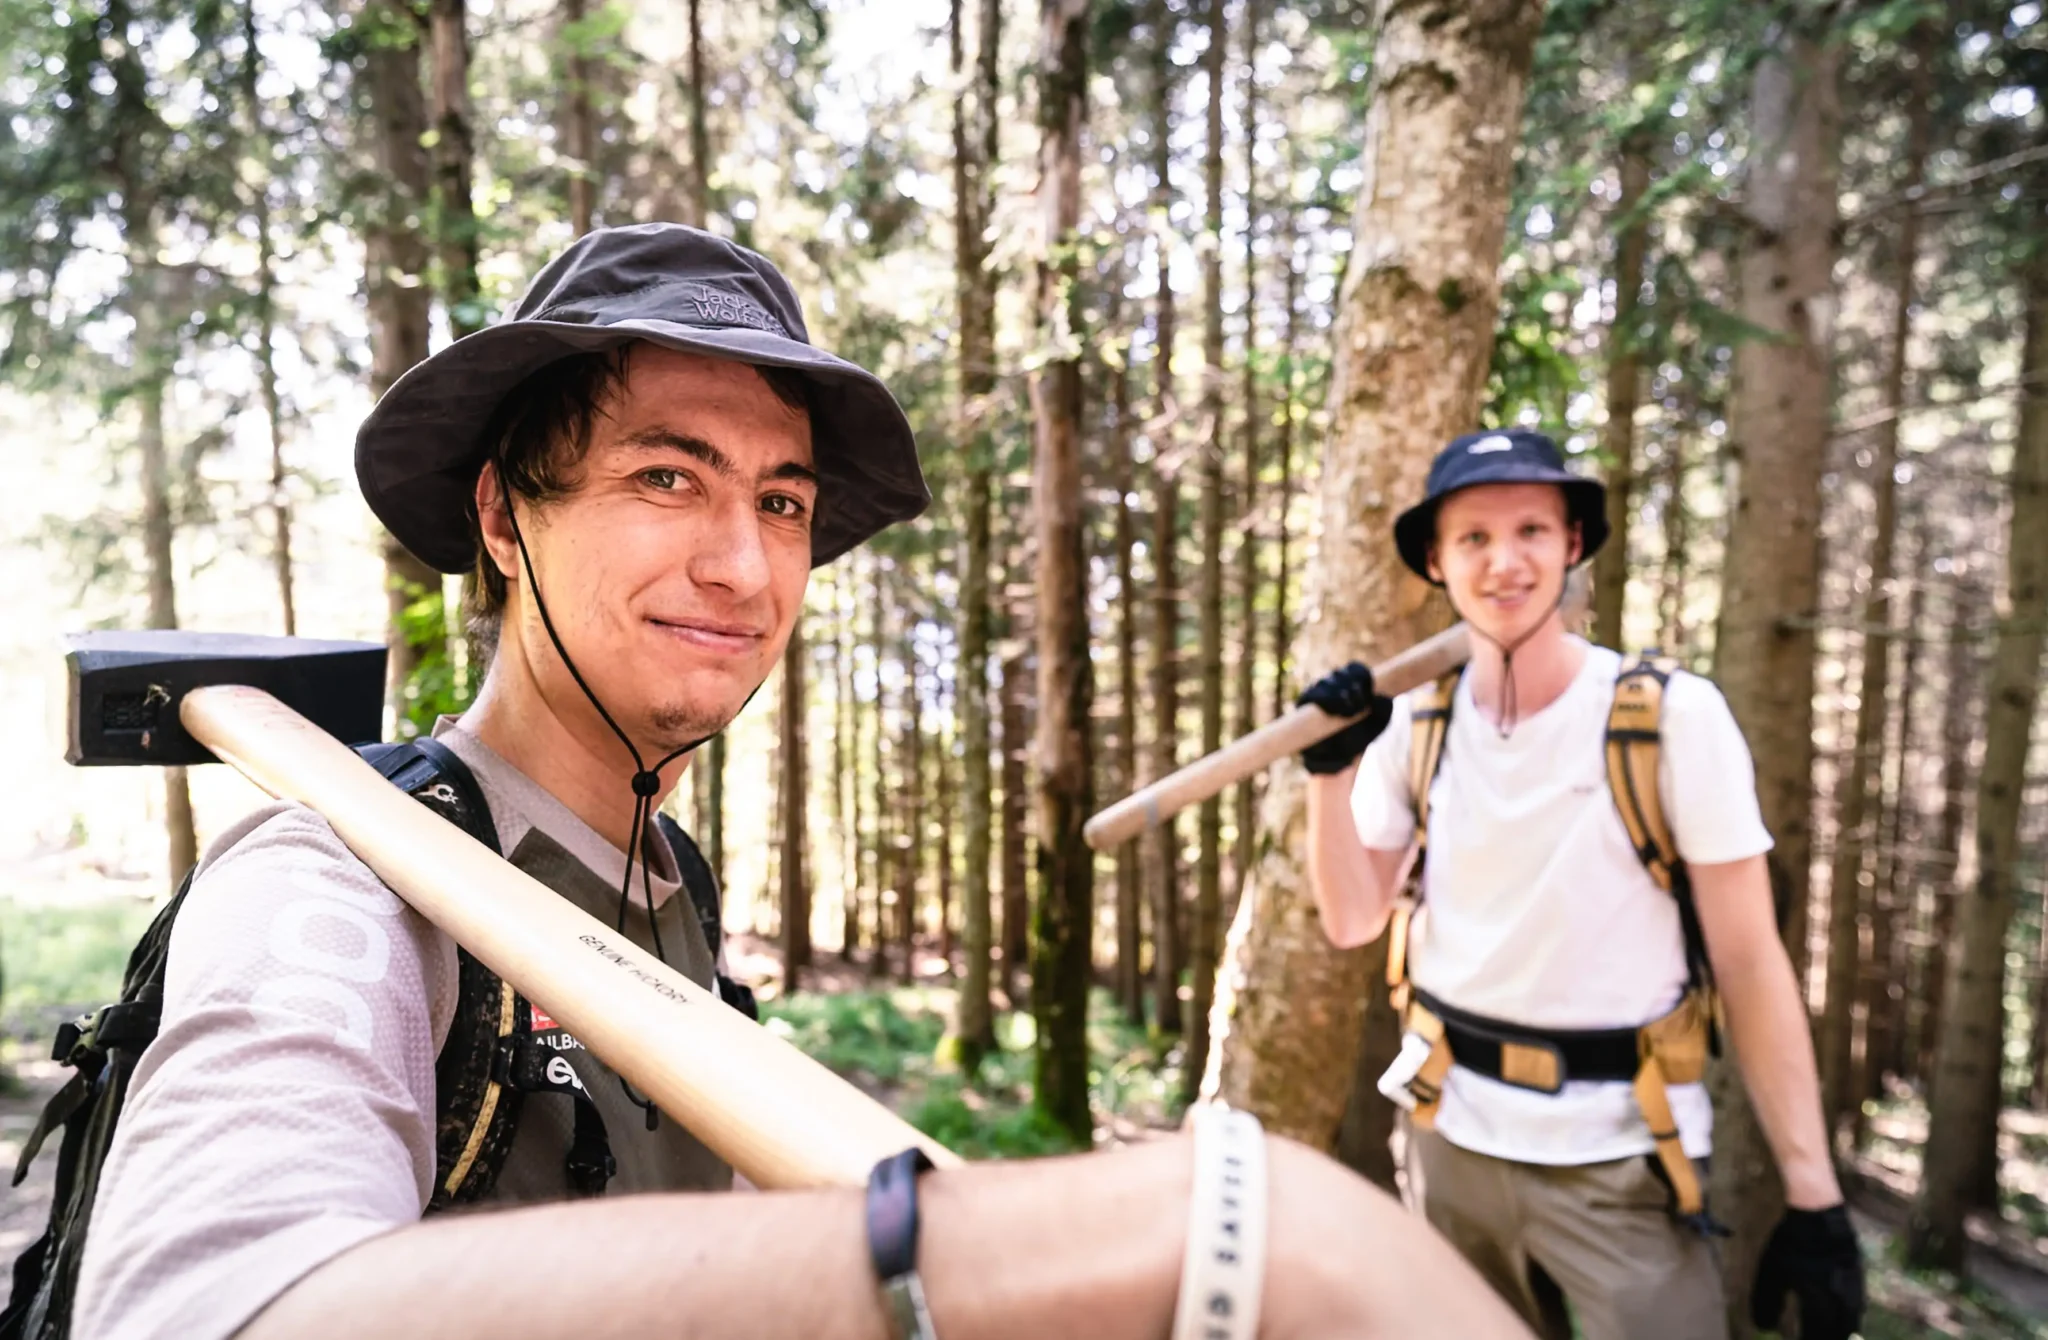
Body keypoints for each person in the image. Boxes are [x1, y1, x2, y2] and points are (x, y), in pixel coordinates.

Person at [64, 224, 1529, 1340]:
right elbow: (207, 1315)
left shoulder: (665, 872)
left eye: (781, 502)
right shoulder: (336, 880)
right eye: (666, 479)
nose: (745, 565)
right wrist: (1170, 1230)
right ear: (506, 517)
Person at [1295, 430, 1865, 1340]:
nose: (1504, 560)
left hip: (1624, 1162)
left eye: (1530, 529)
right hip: (1449, 1145)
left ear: (1573, 545)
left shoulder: (1673, 720)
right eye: (1473, 538)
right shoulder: (1415, 724)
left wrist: (1814, 1194)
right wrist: (1326, 775)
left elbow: (1751, 963)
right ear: (1437, 563)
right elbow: (1354, 917)